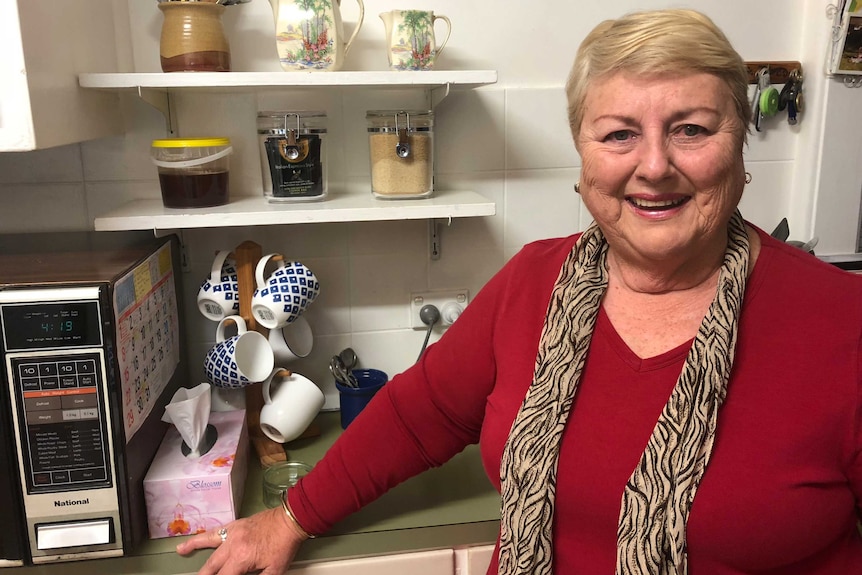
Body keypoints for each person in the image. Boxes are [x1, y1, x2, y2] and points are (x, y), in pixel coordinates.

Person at [178, 8, 862, 574]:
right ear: (584, 161)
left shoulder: (842, 326)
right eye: (620, 133)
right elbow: (420, 414)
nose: (654, 165)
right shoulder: (534, 283)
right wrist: (291, 515)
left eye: (691, 129)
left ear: (739, 153)